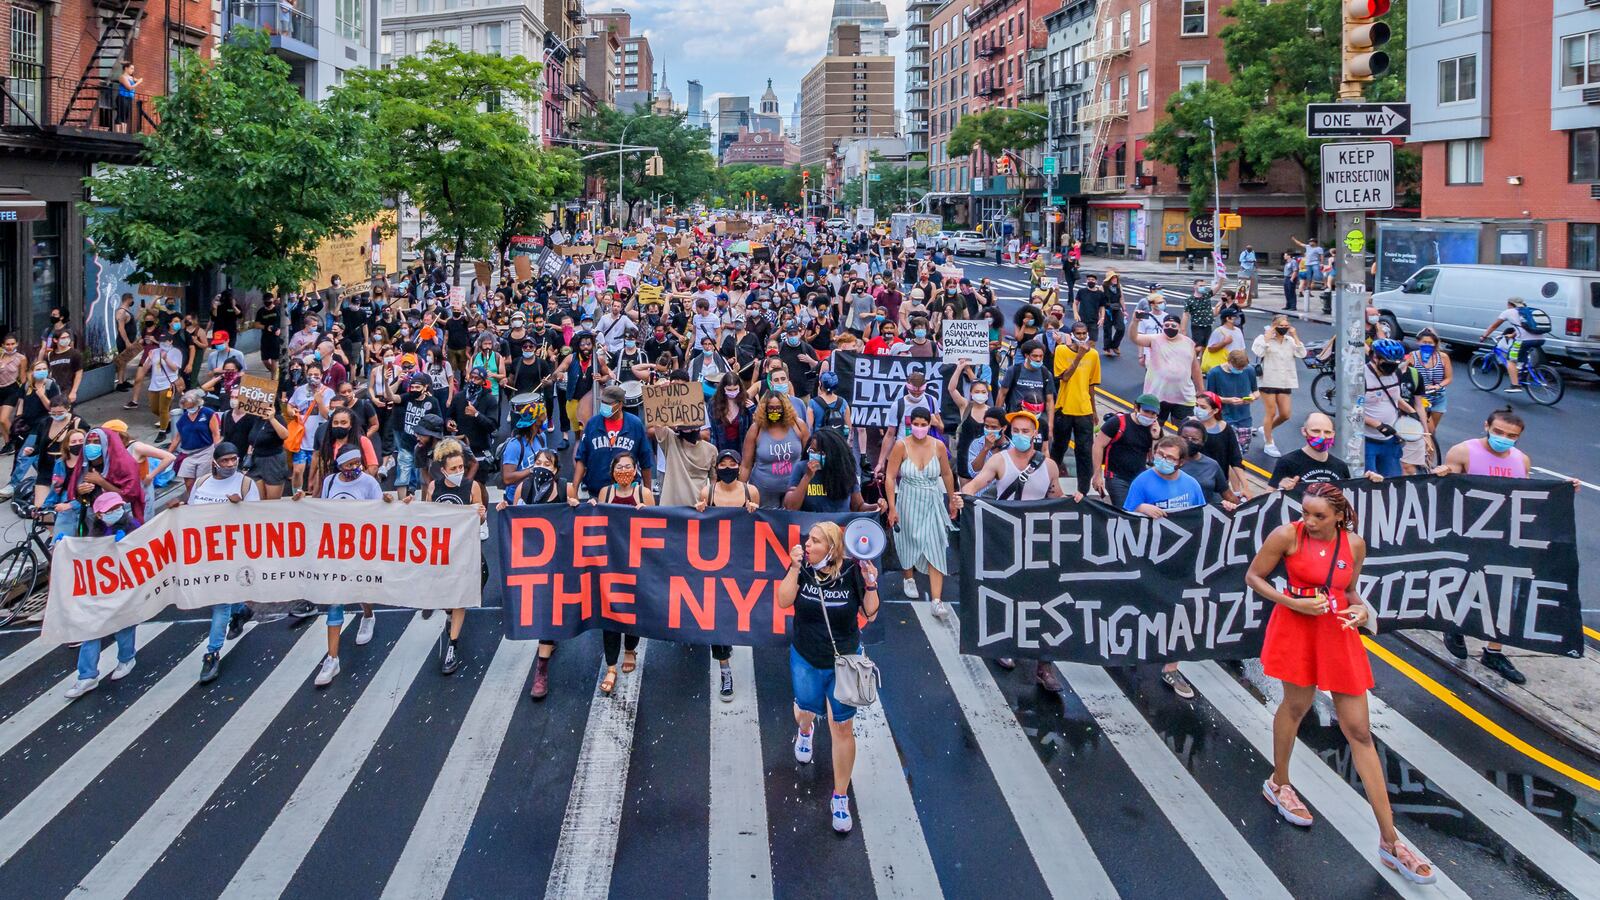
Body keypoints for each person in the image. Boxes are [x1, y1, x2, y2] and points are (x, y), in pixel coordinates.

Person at [1246, 483, 1437, 885]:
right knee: (1295, 708)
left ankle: (1390, 841)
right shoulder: (1286, 535)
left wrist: (1359, 610)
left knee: (1360, 733)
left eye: (1318, 516)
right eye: (1305, 513)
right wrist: (1293, 603)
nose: (1309, 522)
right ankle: (1279, 783)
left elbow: (1349, 590)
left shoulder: (1355, 545)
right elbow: (1254, 577)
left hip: (1337, 633)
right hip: (1296, 626)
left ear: (1338, 516)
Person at [1430, 407, 1553, 685]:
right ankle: (1454, 626)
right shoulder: (1464, 452)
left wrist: (1565, 490)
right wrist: (1445, 473)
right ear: (1486, 426)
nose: (1504, 438)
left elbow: (1527, 496)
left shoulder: (1521, 461)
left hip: (1505, 537)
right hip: (1468, 535)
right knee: (1465, 584)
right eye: (1498, 432)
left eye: (1511, 435)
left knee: (1503, 593)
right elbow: (1446, 490)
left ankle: (1493, 651)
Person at [776, 521, 880, 834]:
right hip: (806, 659)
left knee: (842, 727)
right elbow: (783, 600)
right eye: (808, 540)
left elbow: (871, 613)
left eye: (816, 542)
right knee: (805, 710)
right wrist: (793, 569)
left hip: (844, 662)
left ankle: (839, 797)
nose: (808, 545)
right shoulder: (803, 570)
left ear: (832, 548)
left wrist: (871, 584)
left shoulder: (852, 572)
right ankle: (805, 730)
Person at [954, 410, 1068, 692]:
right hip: (1005, 539)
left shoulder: (1049, 466)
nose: (1020, 435)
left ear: (1035, 435)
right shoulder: (999, 460)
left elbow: (1058, 497)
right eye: (1015, 430)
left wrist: (1076, 501)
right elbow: (977, 483)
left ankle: (1045, 666)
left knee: (1043, 602)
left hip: (1040, 542)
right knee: (1007, 594)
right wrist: (961, 497)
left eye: (1026, 431)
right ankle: (1005, 645)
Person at [297, 446, 393, 687]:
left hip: (360, 548)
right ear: (339, 465)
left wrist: (388, 502)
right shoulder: (329, 482)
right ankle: (332, 658)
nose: (354, 469)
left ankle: (368, 615)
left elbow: (379, 511)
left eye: (357, 463)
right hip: (334, 550)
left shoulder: (369, 483)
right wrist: (301, 502)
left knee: (361, 589)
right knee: (335, 601)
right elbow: (319, 509)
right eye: (349, 465)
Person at [1123, 435, 1205, 699]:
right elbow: (1124, 517)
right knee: (1145, 608)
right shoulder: (1143, 481)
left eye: (1171, 458)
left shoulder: (1191, 485)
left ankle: (1172, 666)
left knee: (1180, 612)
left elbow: (1203, 517)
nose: (1164, 461)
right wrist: (1141, 508)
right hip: (1148, 559)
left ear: (1181, 462)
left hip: (1180, 560)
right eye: (1161, 455)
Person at [172, 442, 259, 684]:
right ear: (215, 462)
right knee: (221, 600)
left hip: (233, 553)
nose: (231, 465)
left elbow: (259, 519)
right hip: (207, 552)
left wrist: (239, 506)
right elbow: (191, 514)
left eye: (234, 459)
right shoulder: (201, 484)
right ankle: (241, 610)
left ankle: (211, 653)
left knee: (219, 604)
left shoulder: (245, 484)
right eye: (225, 461)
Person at [412, 439, 487, 675]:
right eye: (453, 469)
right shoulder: (434, 488)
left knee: (460, 597)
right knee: (446, 599)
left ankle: (452, 645)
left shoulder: (472, 487)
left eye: (460, 468)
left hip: (465, 552)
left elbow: (480, 519)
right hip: (442, 553)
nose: (458, 472)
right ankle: (449, 614)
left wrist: (481, 515)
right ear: (443, 470)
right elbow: (426, 516)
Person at [63, 492, 145, 699]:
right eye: (109, 510)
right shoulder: (94, 529)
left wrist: (125, 543)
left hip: (124, 588)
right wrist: (68, 545)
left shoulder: (131, 526)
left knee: (123, 627)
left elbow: (142, 552)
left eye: (116, 508)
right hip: (100, 587)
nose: (114, 512)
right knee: (92, 629)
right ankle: (87, 676)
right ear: (99, 514)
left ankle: (127, 658)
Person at [585, 452, 653, 696]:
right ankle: (611, 666)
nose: (624, 471)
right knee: (610, 614)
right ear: (612, 471)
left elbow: (655, 526)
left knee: (633, 611)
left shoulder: (643, 494)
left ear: (635, 470)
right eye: (619, 467)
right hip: (610, 563)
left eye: (628, 467)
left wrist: (647, 512)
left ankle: (630, 649)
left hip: (635, 564)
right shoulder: (605, 493)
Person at [883, 407, 958, 613]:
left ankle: (936, 600)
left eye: (923, 424)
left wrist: (952, 499)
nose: (919, 428)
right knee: (907, 540)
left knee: (936, 545)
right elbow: (890, 477)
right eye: (915, 424)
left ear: (929, 424)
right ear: (910, 425)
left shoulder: (939, 446)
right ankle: (908, 578)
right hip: (908, 498)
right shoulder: (901, 446)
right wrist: (892, 506)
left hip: (932, 499)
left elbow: (947, 474)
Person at [571, 384, 652, 502]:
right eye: (603, 402)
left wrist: (647, 492)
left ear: (620, 404)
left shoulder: (635, 424)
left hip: (628, 493)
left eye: (608, 403)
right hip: (596, 492)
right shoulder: (592, 424)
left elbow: (645, 461)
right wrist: (575, 489)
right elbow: (581, 458)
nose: (604, 405)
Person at [1268, 412, 1384, 490]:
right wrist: (1280, 489)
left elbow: (1348, 495)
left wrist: (1368, 482)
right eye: (1316, 431)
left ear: (1333, 434)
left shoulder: (1340, 466)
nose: (1322, 437)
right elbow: (1267, 500)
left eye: (1327, 432)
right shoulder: (1287, 462)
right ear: (1304, 431)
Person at [1051, 320, 1101, 497]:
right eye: (1078, 334)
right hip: (1064, 408)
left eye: (1083, 333)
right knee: (1059, 448)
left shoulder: (1093, 355)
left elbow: (1092, 385)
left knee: (1084, 451)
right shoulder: (1061, 351)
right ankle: (1050, 484)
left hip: (1084, 409)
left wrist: (1094, 410)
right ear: (1071, 335)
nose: (1081, 337)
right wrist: (1079, 356)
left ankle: (1082, 490)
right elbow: (1064, 377)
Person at [1131, 311, 1203, 426]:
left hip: (1183, 396)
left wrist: (1200, 389)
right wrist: (1135, 322)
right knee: (1152, 427)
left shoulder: (1189, 343)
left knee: (1186, 427)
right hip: (1156, 396)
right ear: (1163, 326)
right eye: (1167, 325)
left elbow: (1195, 368)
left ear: (1179, 327)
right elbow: (1134, 338)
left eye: (1173, 325)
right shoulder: (1154, 339)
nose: (1170, 327)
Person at [1091, 392, 1161, 509]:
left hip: (1139, 478)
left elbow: (1156, 459)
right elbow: (1098, 445)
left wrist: (1155, 438)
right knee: (1125, 511)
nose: (1149, 416)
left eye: (1153, 413)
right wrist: (1097, 475)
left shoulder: (1154, 429)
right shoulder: (1117, 423)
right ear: (1136, 407)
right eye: (1146, 412)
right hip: (1117, 478)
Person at [741, 390, 807, 508]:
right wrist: (740, 491)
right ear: (764, 409)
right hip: (763, 492)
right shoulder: (756, 429)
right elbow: (746, 465)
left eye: (778, 408)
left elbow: (808, 458)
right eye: (771, 408)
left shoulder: (798, 425)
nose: (774, 411)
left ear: (785, 408)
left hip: (793, 491)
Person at [1251, 316, 1306, 458]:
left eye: (1287, 325)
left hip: (1285, 380)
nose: (1285, 328)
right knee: (1270, 412)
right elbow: (1258, 352)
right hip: (1268, 379)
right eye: (1281, 325)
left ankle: (1266, 428)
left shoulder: (1290, 340)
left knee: (1285, 414)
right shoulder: (1262, 338)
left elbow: (1302, 354)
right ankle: (1269, 443)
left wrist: (1295, 335)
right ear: (1274, 325)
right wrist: (1267, 339)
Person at [1362, 339, 1415, 478]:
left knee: (1393, 480)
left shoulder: (1395, 374)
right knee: (1369, 482)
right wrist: (1377, 424)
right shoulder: (1361, 378)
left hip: (1390, 440)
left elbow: (1394, 397)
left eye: (1395, 365)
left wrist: (1412, 412)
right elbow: (1350, 411)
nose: (1391, 369)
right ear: (1374, 357)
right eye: (1387, 364)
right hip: (1367, 441)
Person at [784, 427, 869, 513]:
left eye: (820, 453)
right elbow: (790, 507)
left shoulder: (846, 471)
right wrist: (807, 477)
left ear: (832, 454)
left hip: (839, 525)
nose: (814, 455)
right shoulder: (801, 468)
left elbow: (858, 506)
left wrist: (876, 507)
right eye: (812, 451)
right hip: (810, 524)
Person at [1477, 297, 1544, 393]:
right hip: (1540, 339)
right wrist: (1512, 335)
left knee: (1511, 360)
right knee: (1521, 357)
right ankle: (1523, 374)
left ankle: (1515, 385)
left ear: (1509, 304)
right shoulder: (1527, 312)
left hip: (1524, 340)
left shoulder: (1508, 312)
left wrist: (1484, 336)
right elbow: (1525, 328)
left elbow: (1494, 326)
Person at [1204, 349, 1258, 457]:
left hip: (1244, 419)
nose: (1241, 370)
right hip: (1224, 418)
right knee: (1230, 452)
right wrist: (1226, 400)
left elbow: (1256, 392)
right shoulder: (1214, 373)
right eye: (1238, 368)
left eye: (1243, 368)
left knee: (1242, 452)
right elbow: (1210, 397)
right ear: (1229, 362)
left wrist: (1252, 397)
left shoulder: (1249, 370)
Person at [169, 389, 223, 494]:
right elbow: (177, 438)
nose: (189, 409)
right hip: (188, 453)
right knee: (189, 483)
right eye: (187, 407)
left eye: (191, 406)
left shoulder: (208, 413)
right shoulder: (183, 419)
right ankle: (191, 501)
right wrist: (168, 454)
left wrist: (216, 453)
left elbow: (216, 434)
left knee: (202, 482)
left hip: (205, 451)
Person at [1409, 328, 1451, 438]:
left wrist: (1438, 386)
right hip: (1420, 399)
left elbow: (1449, 378)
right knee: (1429, 431)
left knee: (1431, 432)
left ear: (1435, 344)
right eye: (1424, 342)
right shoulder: (1412, 357)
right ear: (1418, 342)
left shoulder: (1443, 357)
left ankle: (1427, 453)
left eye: (1430, 343)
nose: (1427, 345)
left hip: (1438, 397)